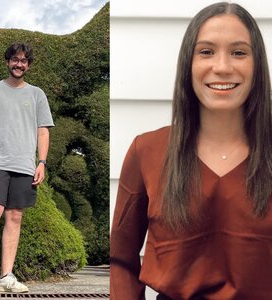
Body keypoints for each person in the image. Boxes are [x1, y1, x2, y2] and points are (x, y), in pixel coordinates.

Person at [110, 2, 272, 299]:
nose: (222, 67)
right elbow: (121, 260)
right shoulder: (147, 151)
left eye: (239, 52)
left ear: (257, 64)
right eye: (206, 51)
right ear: (189, 64)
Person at [0, 42, 54, 294]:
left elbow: (43, 130)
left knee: (15, 215)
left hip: (24, 163)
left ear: (28, 65)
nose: (19, 64)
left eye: (24, 61)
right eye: (15, 59)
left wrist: (41, 162)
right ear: (8, 61)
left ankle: (6, 276)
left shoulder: (37, 94)